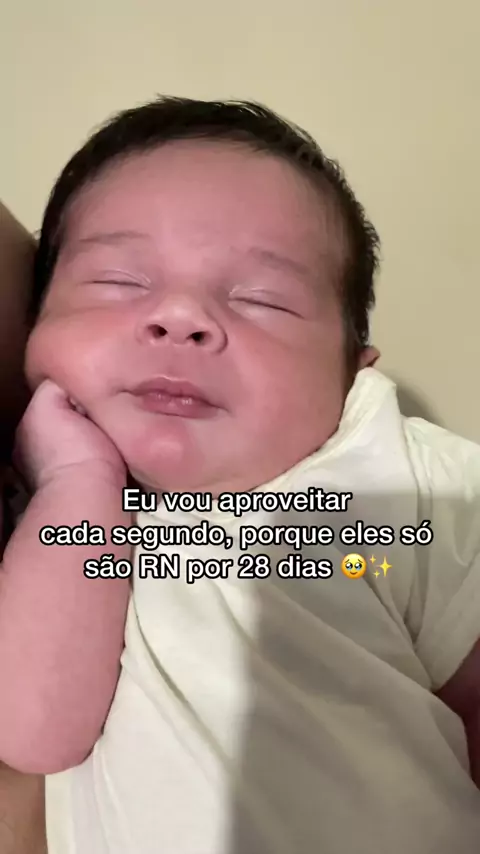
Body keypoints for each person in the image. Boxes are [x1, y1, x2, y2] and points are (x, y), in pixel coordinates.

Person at [1, 96, 480, 854]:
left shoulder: (395, 472)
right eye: (117, 281)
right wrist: (74, 479)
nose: (181, 316)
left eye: (263, 300)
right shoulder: (44, 510)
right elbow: (34, 731)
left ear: (352, 374)